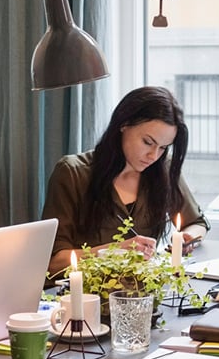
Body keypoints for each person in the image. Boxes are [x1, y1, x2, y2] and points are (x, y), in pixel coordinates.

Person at [40, 86, 208, 276]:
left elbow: (197, 223)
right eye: (147, 142)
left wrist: (187, 238)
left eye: (163, 148)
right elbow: (54, 262)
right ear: (124, 124)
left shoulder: (163, 169)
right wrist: (115, 252)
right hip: (87, 297)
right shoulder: (73, 173)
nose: (153, 155)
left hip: (144, 294)